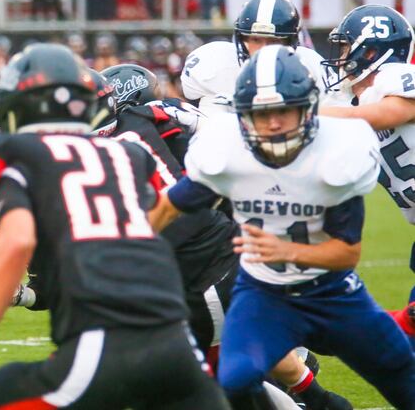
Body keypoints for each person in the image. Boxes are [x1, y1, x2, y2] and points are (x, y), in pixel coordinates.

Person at [0, 43, 230, 409]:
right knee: (235, 381)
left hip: (121, 336)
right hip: (170, 330)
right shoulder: (124, 149)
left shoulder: (45, 165)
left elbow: (6, 231)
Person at [150, 45, 415, 409]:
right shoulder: (228, 149)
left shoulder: (337, 150)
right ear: (243, 115)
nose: (273, 123)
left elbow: (347, 253)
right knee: (236, 378)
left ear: (307, 109)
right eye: (261, 113)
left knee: (400, 372)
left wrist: (286, 250)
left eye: (284, 110)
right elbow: (173, 203)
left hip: (332, 293)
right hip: (263, 293)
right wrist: (134, 243)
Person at [319, 4, 415, 339]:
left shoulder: (394, 77)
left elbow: (392, 112)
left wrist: (309, 116)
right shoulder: (353, 109)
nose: (341, 56)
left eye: (345, 47)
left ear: (371, 50)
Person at [181, 0, 327, 113]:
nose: (264, 49)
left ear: (291, 42)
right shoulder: (215, 63)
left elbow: (341, 115)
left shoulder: (310, 64)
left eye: (274, 41)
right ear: (241, 39)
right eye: (256, 40)